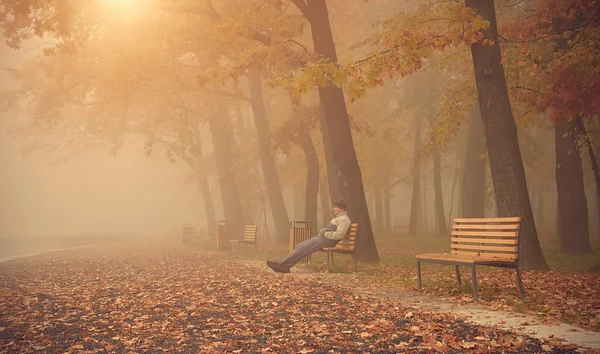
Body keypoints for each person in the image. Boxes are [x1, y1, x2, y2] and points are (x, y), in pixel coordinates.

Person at [267, 199, 351, 273]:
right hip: (323, 238)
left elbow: (339, 235)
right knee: (299, 246)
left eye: (335, 207)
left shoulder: (344, 220)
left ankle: (281, 265)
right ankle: (284, 265)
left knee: (302, 249)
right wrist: (324, 232)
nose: (333, 209)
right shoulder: (339, 218)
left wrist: (325, 233)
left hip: (327, 241)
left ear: (341, 208)